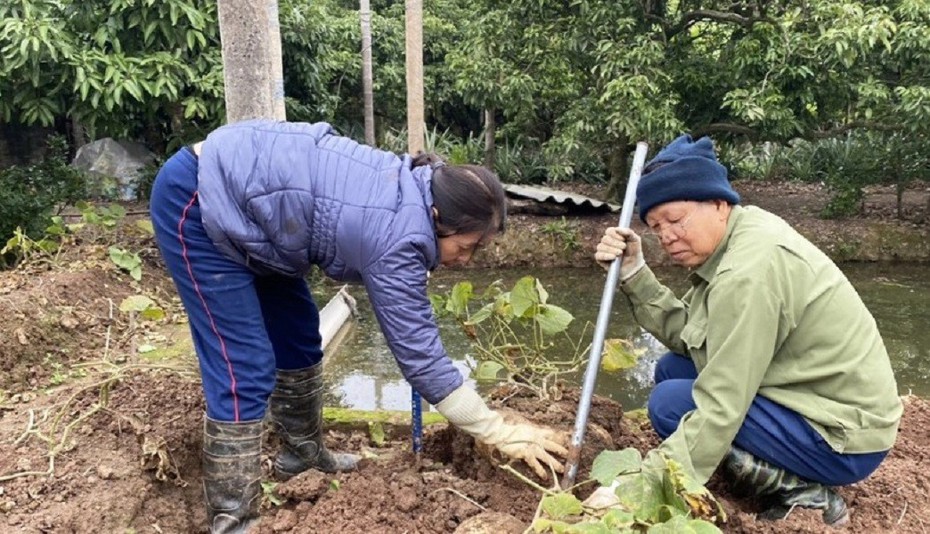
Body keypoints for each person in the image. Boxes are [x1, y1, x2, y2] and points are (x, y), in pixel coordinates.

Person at [149, 119, 569, 533]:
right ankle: (234, 521)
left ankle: (302, 457)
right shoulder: (397, 234)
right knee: (244, 367)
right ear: (439, 217)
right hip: (201, 195)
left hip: (264, 213)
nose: (465, 261)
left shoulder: (414, 192)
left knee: (298, 337)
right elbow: (421, 358)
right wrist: (497, 430)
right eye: (465, 248)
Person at [588, 134, 902, 525]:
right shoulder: (742, 232)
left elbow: (723, 402)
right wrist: (635, 272)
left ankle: (806, 492)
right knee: (673, 369)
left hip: (843, 437)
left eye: (676, 219)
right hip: (814, 399)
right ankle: (763, 468)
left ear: (718, 204)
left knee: (671, 403)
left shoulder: (747, 273)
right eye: (655, 226)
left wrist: (640, 486)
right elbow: (694, 335)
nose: (667, 236)